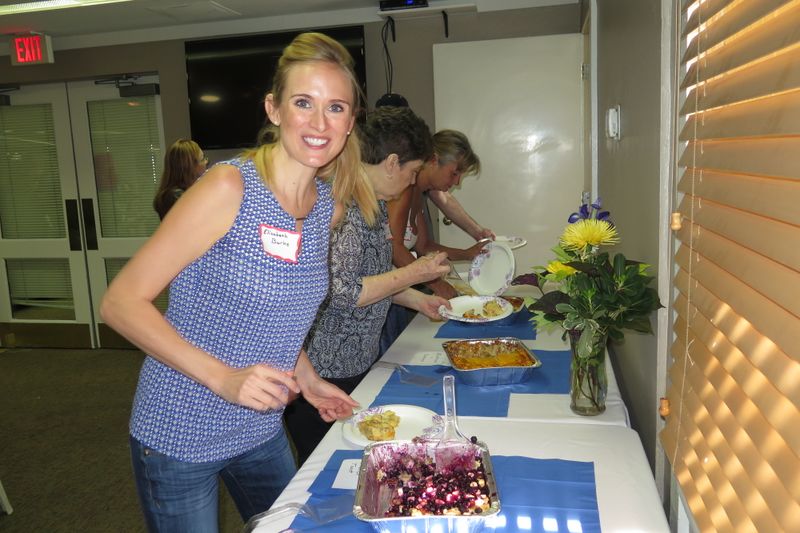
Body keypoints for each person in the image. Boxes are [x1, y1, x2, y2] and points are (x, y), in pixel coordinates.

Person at [100, 32, 371, 532]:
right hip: (179, 431)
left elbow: (281, 312)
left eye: (335, 107)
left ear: (350, 122)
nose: (318, 122)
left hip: (259, 427)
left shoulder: (324, 207)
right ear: (274, 109)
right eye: (303, 103)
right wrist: (223, 379)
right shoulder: (229, 187)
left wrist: (308, 382)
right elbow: (119, 303)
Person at [284, 106, 450, 465]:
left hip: (355, 361)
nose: (411, 182)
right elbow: (341, 293)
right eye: (412, 171)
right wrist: (413, 275)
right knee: (323, 466)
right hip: (323, 371)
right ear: (392, 162)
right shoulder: (337, 205)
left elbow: (372, 277)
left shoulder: (372, 204)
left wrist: (417, 301)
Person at [152, 138, 207, 220]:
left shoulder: (186, 192)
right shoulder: (174, 197)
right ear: (188, 167)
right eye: (202, 159)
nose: (206, 162)